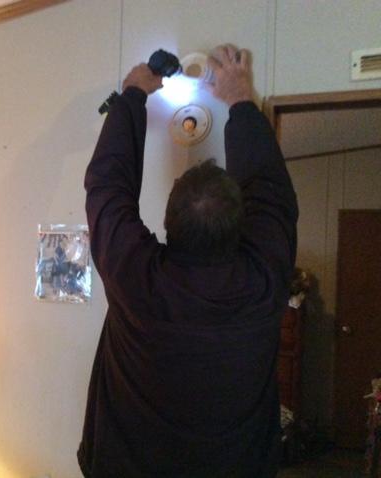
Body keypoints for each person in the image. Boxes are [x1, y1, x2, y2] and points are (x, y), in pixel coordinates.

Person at [78, 44, 298, 477]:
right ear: (241, 226)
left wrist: (133, 97)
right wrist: (239, 99)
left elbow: (107, 185)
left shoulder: (138, 278)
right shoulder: (264, 279)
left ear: (166, 221)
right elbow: (270, 192)